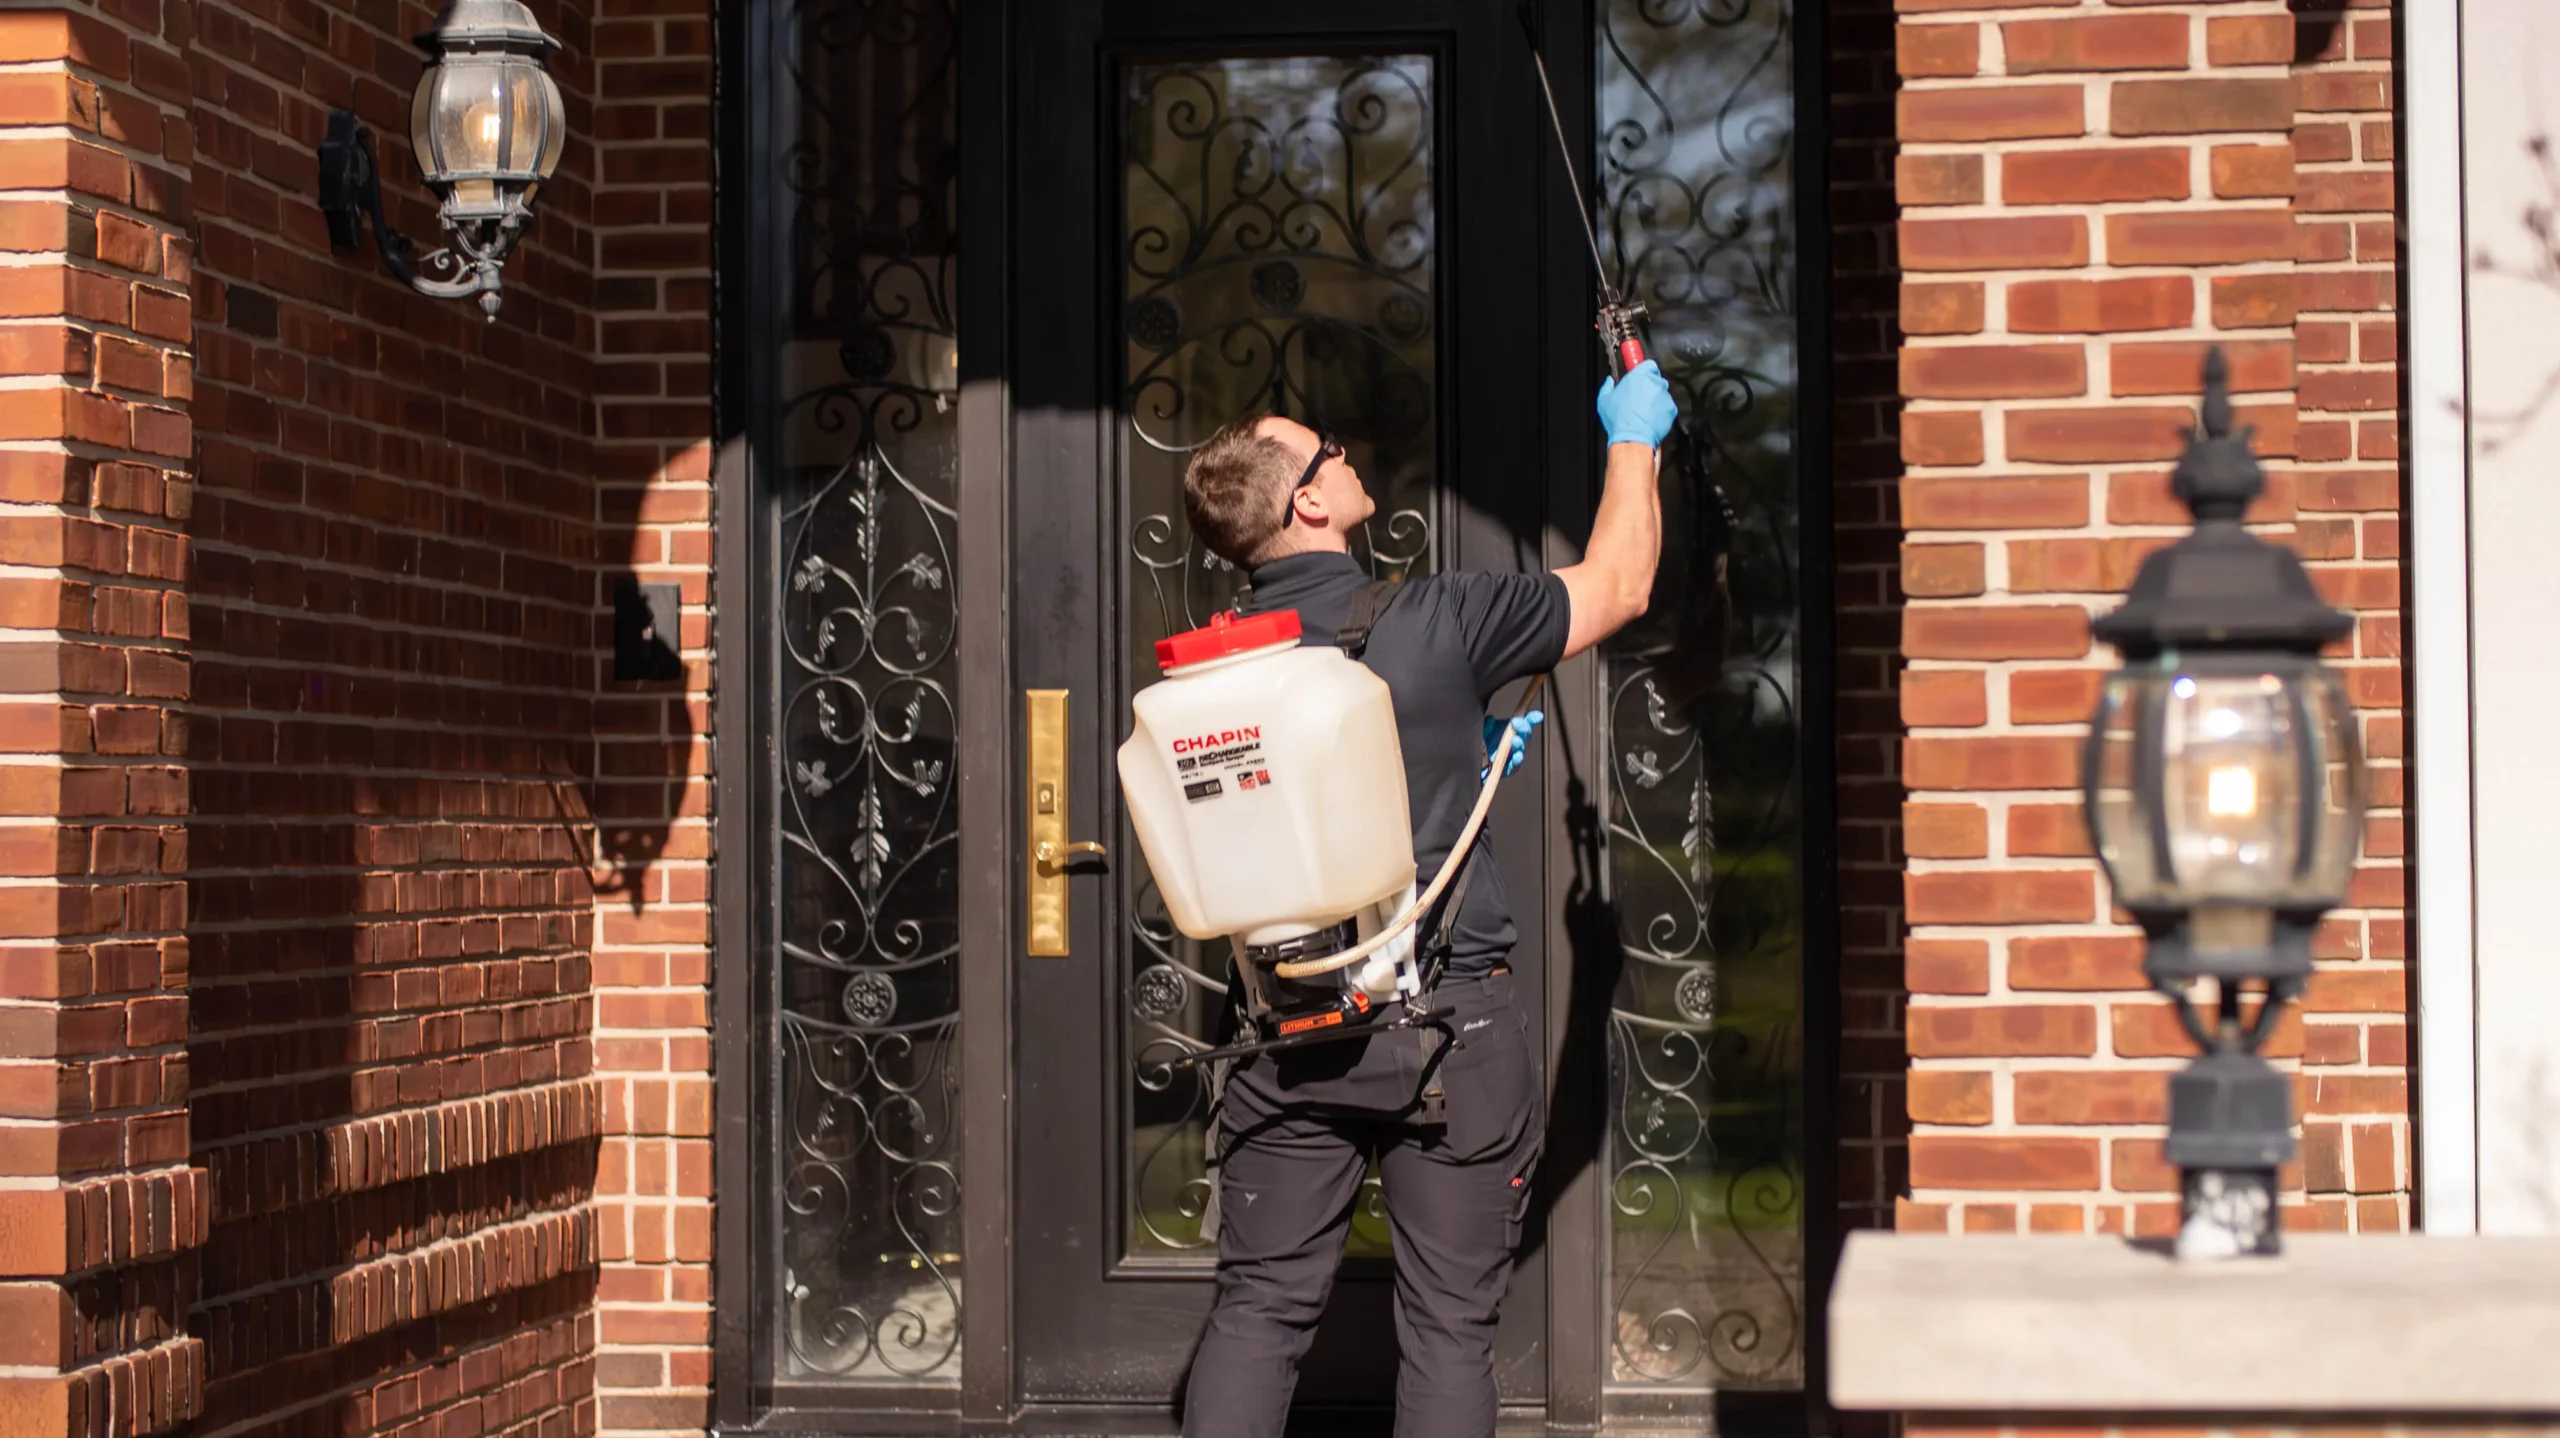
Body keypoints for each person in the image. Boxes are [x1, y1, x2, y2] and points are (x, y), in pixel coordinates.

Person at [1174, 362, 1680, 1437]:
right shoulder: (1435, 617)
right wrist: (1633, 439)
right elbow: (1620, 583)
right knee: (1448, 1329)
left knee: (1258, 1312)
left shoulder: (1204, 670)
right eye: (1331, 451)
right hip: (1445, 1024)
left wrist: (1455, 747)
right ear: (1309, 499)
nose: (1347, 455)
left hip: (1280, 1027)